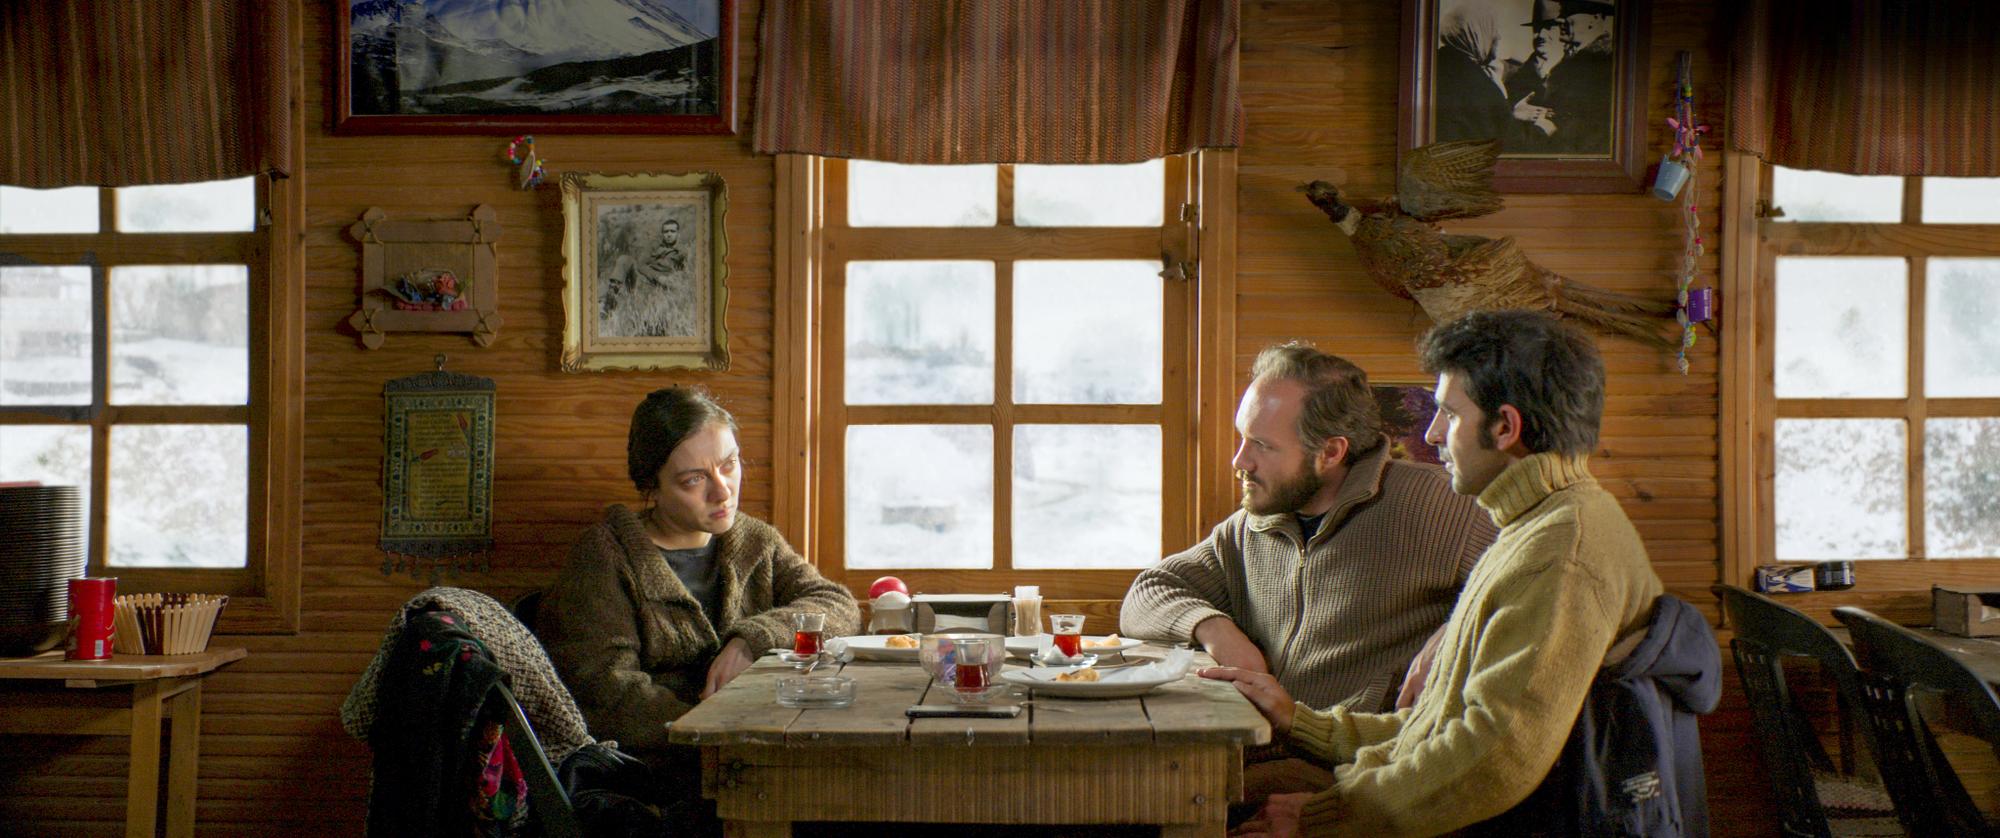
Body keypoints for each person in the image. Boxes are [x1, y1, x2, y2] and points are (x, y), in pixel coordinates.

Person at [1203, 310, 1666, 837]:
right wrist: (1300, 721)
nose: (1432, 432)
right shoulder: (1530, 527)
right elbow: (1434, 730)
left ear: (1505, 427)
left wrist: (1321, 817)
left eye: (1448, 412)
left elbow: (1493, 759)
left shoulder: (1563, 550)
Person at [1121, 343, 1497, 797]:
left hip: (1355, 772)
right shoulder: (1252, 526)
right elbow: (1149, 591)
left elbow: (1533, 587)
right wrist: (1217, 631)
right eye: (1243, 438)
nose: (1239, 461)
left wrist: (1454, 630)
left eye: (1261, 445)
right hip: (1253, 756)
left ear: (1331, 452)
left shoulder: (1441, 506)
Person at [537, 387, 860, 812]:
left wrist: (751, 639)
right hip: (661, 779)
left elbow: (836, 604)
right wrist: (716, 725)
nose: (722, 492)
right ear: (651, 484)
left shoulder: (755, 542)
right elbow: (603, 691)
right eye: (694, 479)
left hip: (766, 753)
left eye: (730, 465)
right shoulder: (605, 557)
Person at [1539, 0, 1617, 156]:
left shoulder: (1606, 62)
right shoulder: (1569, 63)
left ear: (1595, 18)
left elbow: (1597, 129)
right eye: (1562, 13)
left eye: (1571, 12)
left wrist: (1552, 131)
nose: (1561, 20)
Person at [599, 216, 696, 338]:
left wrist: (670, 282)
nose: (669, 234)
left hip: (654, 287)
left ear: (678, 233)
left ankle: (619, 304)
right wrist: (658, 277)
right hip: (641, 278)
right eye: (666, 231)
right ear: (662, 233)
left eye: (672, 231)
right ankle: (609, 301)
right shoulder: (654, 246)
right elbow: (640, 264)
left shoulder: (683, 252)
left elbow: (686, 273)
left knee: (642, 304)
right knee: (624, 259)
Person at [1432, 5, 1512, 144]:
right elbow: (1506, 141)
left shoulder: (1435, 62)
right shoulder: (1478, 83)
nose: (1498, 36)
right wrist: (1543, 127)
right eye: (1491, 29)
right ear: (1476, 34)